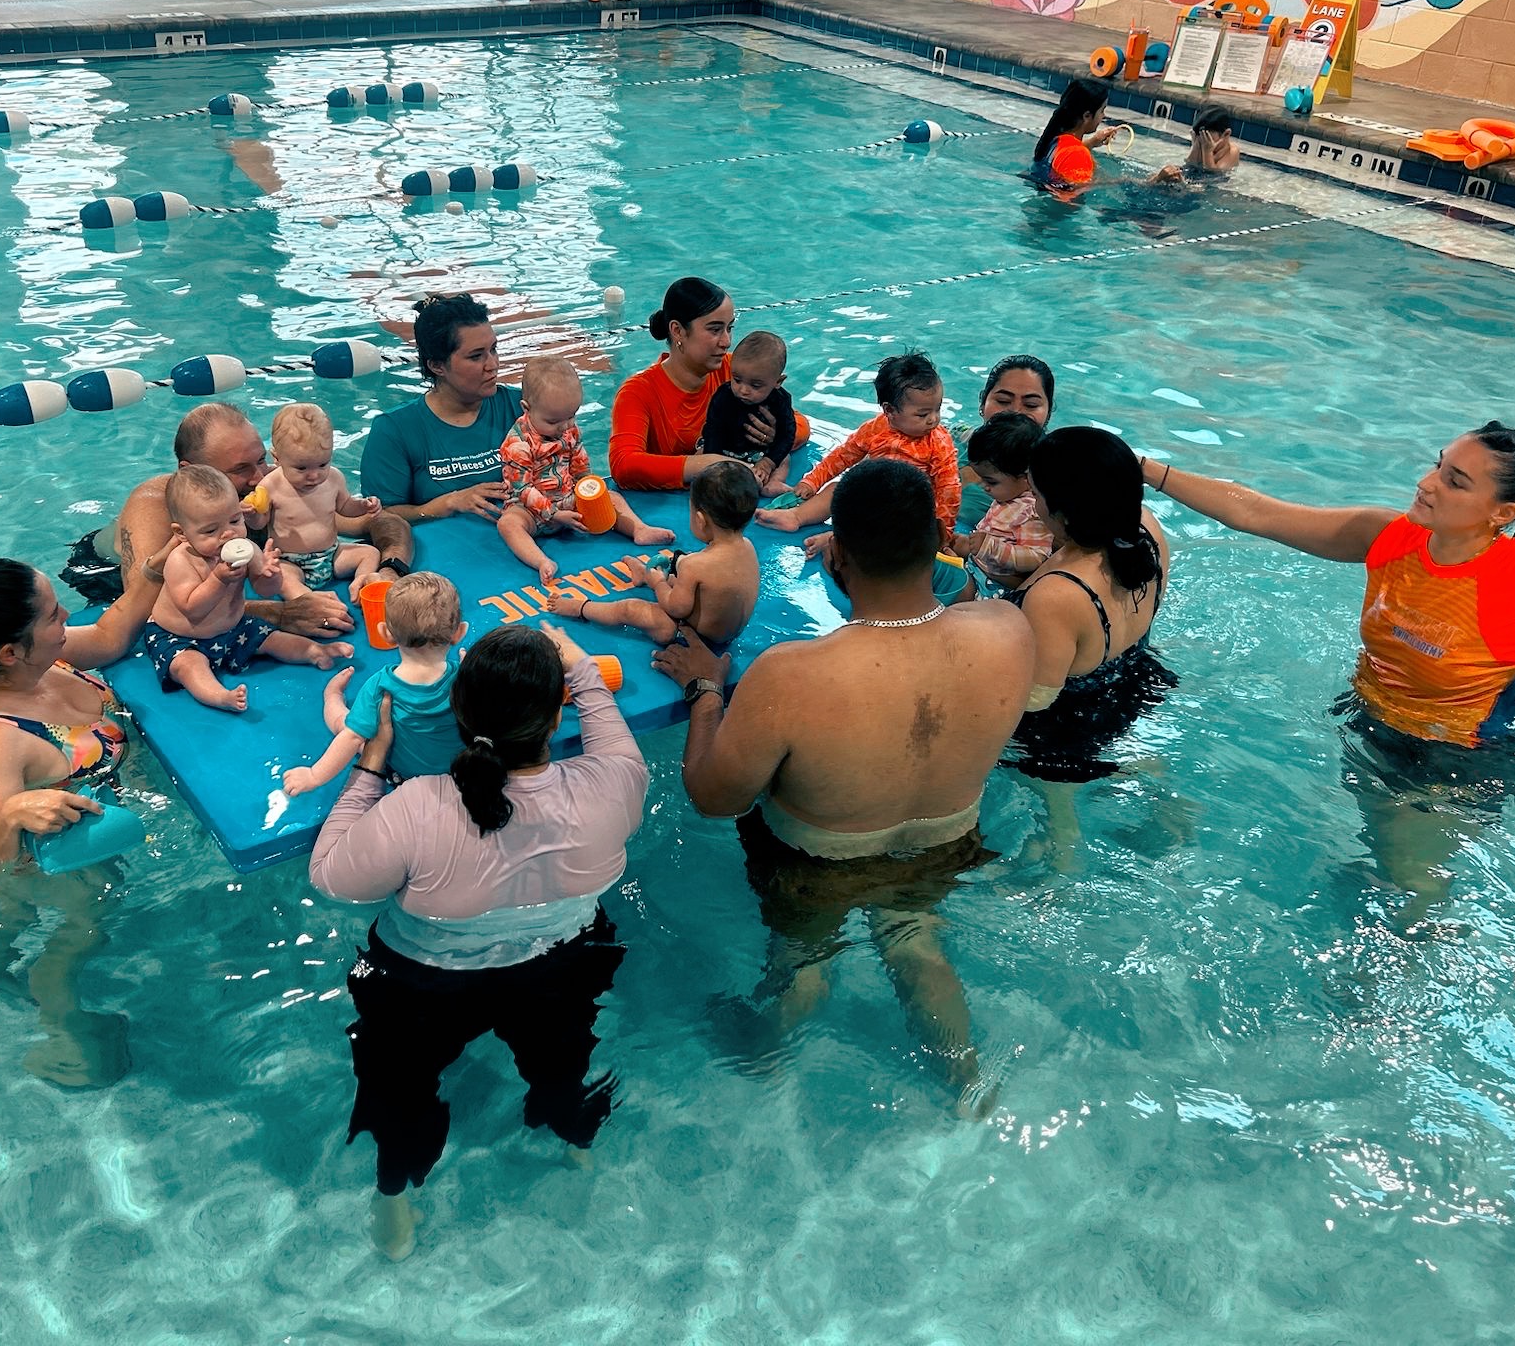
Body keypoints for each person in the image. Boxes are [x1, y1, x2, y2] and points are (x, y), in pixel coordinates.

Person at [1140, 423, 1515, 928]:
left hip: (1456, 763)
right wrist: (1143, 470)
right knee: (1378, 858)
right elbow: (1257, 513)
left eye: (1455, 481)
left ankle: (1389, 995)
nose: (1426, 482)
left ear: (1504, 514)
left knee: (1412, 888)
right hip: (1371, 722)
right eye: (1439, 464)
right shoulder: (1392, 538)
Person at [654, 459, 1035, 1101]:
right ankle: (967, 1084)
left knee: (804, 962)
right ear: (937, 541)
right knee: (916, 943)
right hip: (947, 848)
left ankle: (769, 1053)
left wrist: (704, 692)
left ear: (839, 555)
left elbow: (714, 798)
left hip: (815, 865)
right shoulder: (1008, 632)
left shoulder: (791, 675)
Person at [311, 623, 645, 1260]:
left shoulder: (419, 807)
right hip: (560, 963)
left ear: (456, 712)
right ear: (555, 719)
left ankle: (394, 1194)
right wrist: (579, 670)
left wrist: (371, 764)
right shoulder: (614, 786)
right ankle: (575, 1142)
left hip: (422, 984)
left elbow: (333, 879)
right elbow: (606, 728)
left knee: (397, 1088)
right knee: (563, 1061)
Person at [0, 554, 171, 1086]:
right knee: (84, 930)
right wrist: (8, 817)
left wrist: (155, 574)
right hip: (50, 862)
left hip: (76, 818)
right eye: (53, 613)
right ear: (9, 651)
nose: (66, 614)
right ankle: (61, 1032)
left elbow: (114, 636)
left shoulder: (39, 658)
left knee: (13, 913)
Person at [63, 401, 405, 638]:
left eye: (260, 460)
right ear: (192, 471)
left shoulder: (277, 483)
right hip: (103, 573)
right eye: (240, 470)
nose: (259, 478)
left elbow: (375, 524)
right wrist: (281, 615)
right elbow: (151, 604)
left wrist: (388, 568)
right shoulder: (154, 505)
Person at [1004, 427, 1178, 866]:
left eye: (1036, 492)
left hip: (1069, 727)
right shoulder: (1147, 531)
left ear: (1061, 512)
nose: (1031, 500)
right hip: (1135, 683)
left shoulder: (1057, 595)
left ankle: (1060, 867)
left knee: (1056, 812)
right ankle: (1161, 798)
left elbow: (1036, 699)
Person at [144, 465, 353, 713]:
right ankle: (220, 695)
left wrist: (270, 574)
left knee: (271, 637)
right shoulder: (182, 561)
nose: (228, 534)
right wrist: (218, 579)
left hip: (233, 629)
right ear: (182, 534)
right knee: (189, 666)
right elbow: (192, 608)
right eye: (211, 530)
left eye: (234, 520)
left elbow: (264, 590)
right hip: (179, 637)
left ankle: (316, 652)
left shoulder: (245, 548)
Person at [757, 353, 960, 559]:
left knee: (895, 527)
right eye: (922, 414)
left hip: (907, 509)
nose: (933, 419)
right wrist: (812, 482)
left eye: (938, 409)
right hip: (871, 496)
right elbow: (842, 456)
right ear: (889, 410)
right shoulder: (875, 429)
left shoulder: (938, 443)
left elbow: (949, 490)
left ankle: (835, 540)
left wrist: (942, 535)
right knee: (838, 489)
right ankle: (797, 516)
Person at [284, 573, 468, 796]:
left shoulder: (381, 687)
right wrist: (470, 671)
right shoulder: (467, 677)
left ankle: (332, 697)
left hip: (403, 776)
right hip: (461, 773)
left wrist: (313, 776)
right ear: (459, 633)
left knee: (346, 725)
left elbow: (352, 738)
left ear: (386, 634)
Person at [496, 358, 674, 585]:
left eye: (572, 416)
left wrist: (588, 491)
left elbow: (579, 463)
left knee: (612, 497)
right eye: (554, 421)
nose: (565, 426)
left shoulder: (568, 429)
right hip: (532, 510)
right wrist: (553, 514)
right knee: (508, 524)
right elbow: (523, 489)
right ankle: (541, 561)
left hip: (569, 500)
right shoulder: (517, 444)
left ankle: (639, 529)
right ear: (526, 409)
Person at [550, 460, 763, 648]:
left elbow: (675, 608)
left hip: (694, 640)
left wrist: (659, 583)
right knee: (679, 576)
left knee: (630, 609)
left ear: (700, 519)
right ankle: (643, 575)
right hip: (727, 635)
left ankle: (581, 608)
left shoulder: (696, 566)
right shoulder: (748, 546)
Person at [360, 293, 523, 523]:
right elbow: (378, 518)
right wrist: (447, 503)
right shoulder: (395, 430)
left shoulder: (522, 408)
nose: (493, 364)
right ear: (437, 366)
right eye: (476, 356)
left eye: (493, 349)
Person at [607, 276, 775, 491]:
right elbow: (624, 465)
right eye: (715, 330)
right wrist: (710, 463)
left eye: (729, 328)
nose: (726, 341)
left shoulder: (735, 372)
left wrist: (773, 434)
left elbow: (800, 426)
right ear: (678, 331)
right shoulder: (638, 392)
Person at [257, 403, 383, 595]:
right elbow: (260, 523)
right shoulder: (270, 486)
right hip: (290, 561)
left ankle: (360, 582)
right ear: (277, 458)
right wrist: (252, 516)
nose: (314, 476)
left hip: (331, 555)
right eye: (302, 468)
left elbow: (345, 507)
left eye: (323, 464)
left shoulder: (334, 478)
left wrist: (363, 506)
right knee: (282, 578)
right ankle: (308, 599)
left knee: (370, 553)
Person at [950, 411, 1050, 594]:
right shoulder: (1009, 498)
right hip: (978, 568)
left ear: (1026, 476)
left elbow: (1037, 557)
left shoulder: (1031, 511)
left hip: (993, 587)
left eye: (991, 481)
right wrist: (966, 543)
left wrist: (990, 547)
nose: (984, 486)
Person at [956, 354, 1057, 529]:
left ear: (1048, 412)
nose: (1015, 411)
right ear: (982, 403)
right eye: (1003, 401)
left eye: (1031, 405)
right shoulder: (951, 441)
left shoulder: (1058, 474)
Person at [697, 329, 797, 496]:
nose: (743, 390)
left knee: (784, 458)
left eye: (755, 385)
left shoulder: (780, 400)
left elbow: (787, 434)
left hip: (759, 454)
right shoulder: (724, 395)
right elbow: (713, 429)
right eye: (737, 379)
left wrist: (767, 463)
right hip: (724, 451)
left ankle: (774, 482)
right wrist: (714, 461)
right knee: (700, 453)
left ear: (777, 382)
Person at [1033, 78, 1120, 191]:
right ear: (1087, 116)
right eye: (1102, 111)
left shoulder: (1055, 139)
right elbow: (1070, 196)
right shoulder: (1078, 154)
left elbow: (1066, 156)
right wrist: (1125, 183)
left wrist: (1093, 142)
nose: (1103, 116)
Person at [1152, 105, 1240, 184]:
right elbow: (1189, 166)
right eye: (1200, 138)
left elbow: (1212, 175)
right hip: (1197, 177)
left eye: (1207, 138)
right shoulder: (1201, 143)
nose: (1204, 143)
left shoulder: (1232, 151)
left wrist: (1207, 151)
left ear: (1226, 134)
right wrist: (1196, 147)